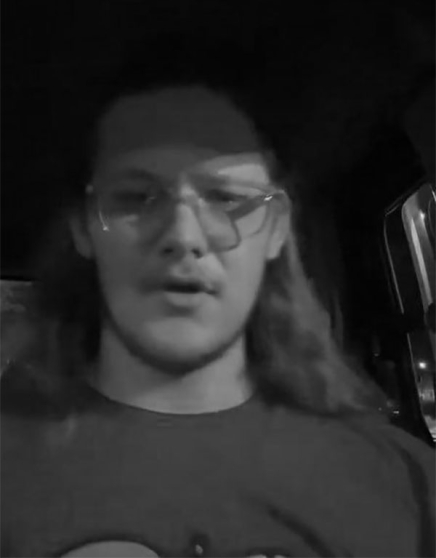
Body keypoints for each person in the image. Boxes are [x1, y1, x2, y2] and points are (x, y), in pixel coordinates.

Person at [1, 35, 434, 558]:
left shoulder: (405, 478)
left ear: (276, 229)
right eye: (136, 198)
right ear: (84, 229)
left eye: (227, 200)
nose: (184, 235)